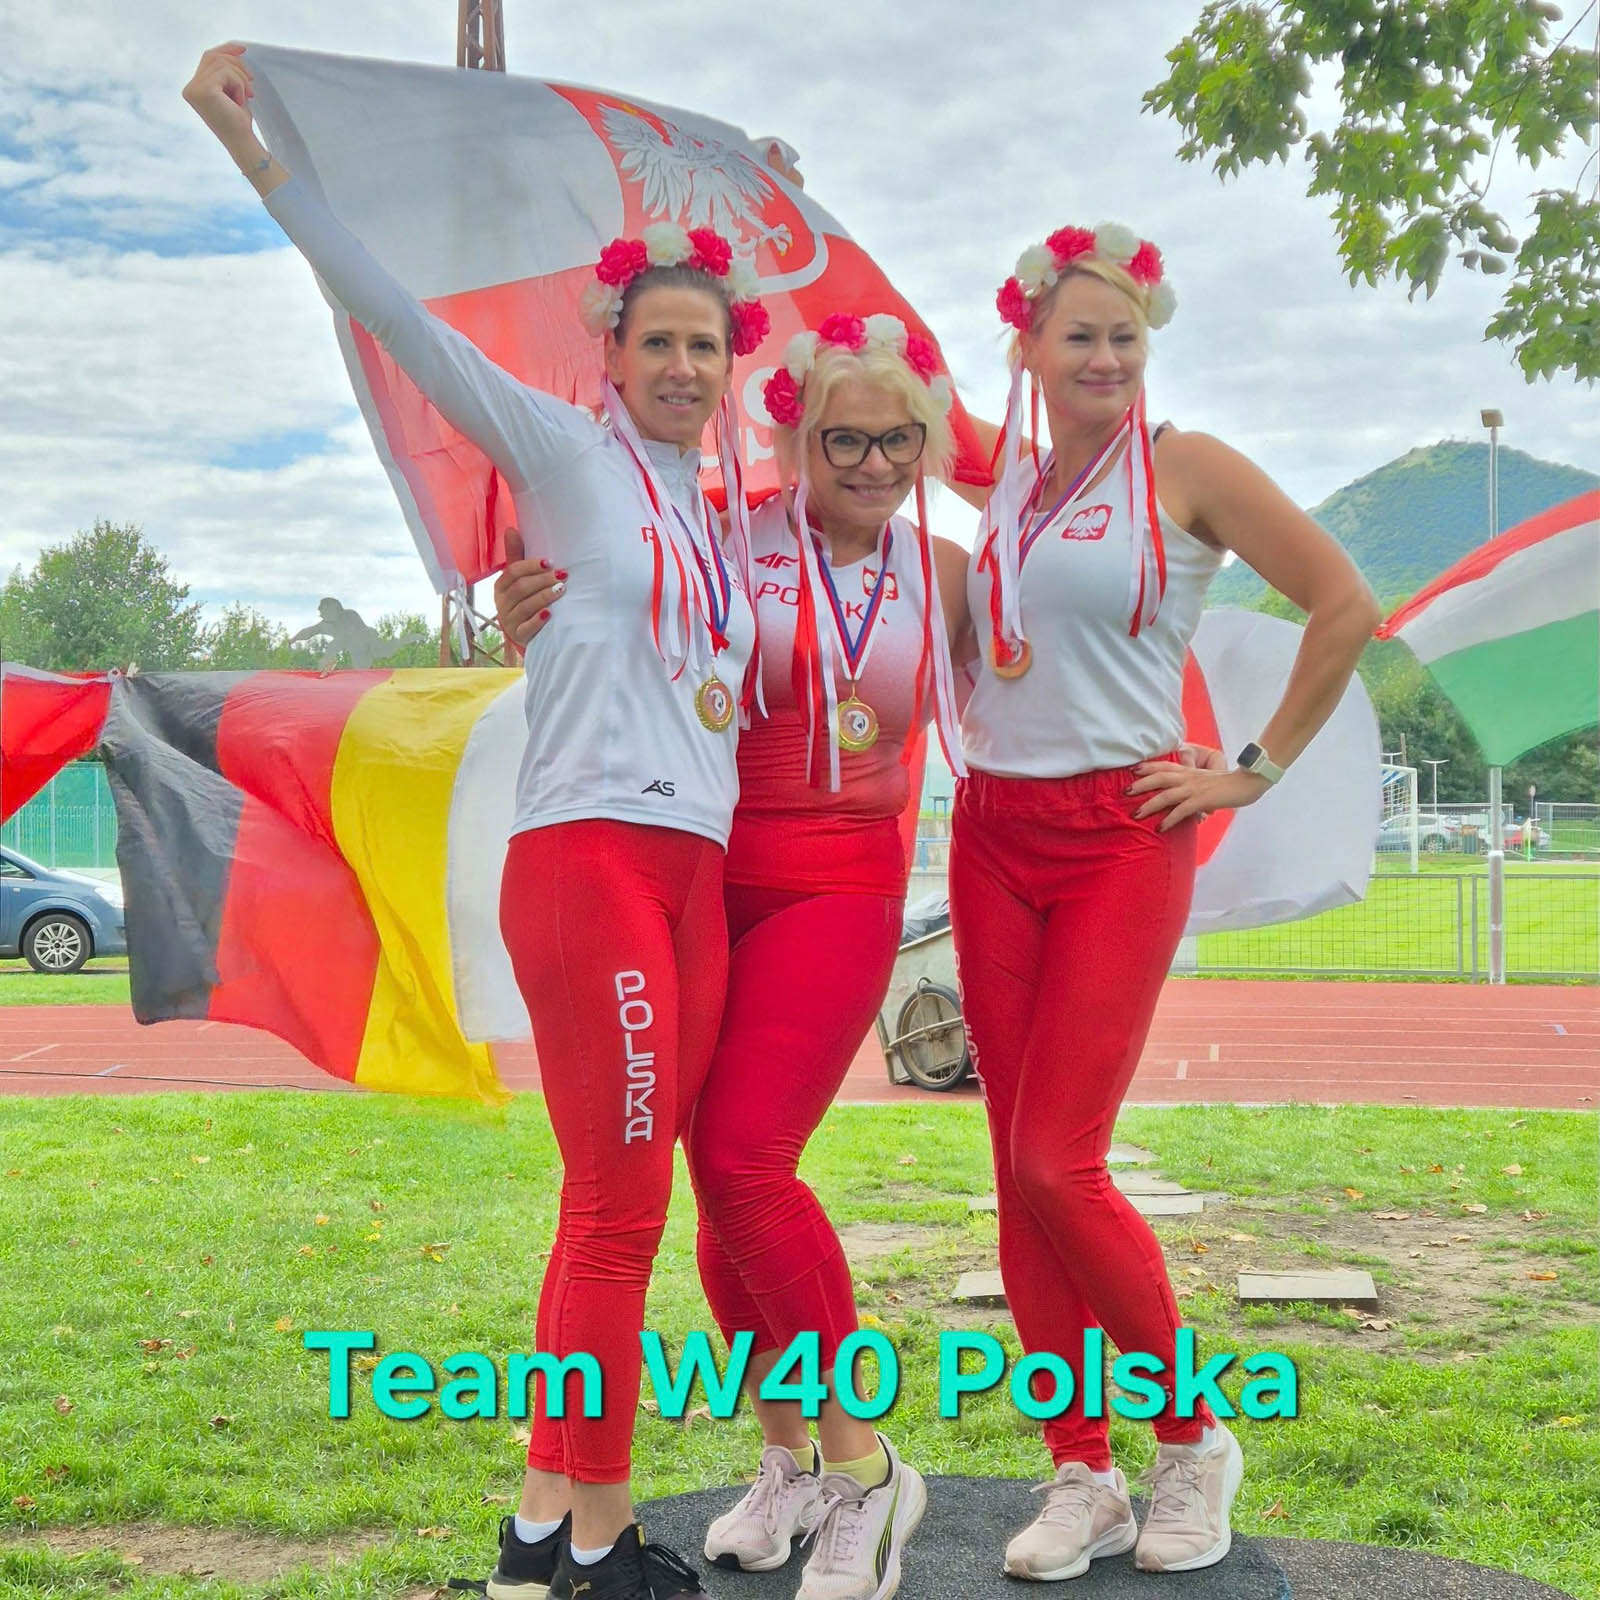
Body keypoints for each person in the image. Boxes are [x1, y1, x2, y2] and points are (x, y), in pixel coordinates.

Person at [185, 41, 773, 1600]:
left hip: (695, 874)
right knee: (619, 1215)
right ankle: (598, 1546)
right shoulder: (562, 451)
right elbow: (393, 314)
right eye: (660, 342)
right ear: (613, 352)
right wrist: (262, 159)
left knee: (621, 1207)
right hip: (591, 862)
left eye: (707, 346)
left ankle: (533, 1534)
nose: (685, 367)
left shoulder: (713, 514)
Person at [502, 312, 968, 1600]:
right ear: (792, 437)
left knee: (750, 1159)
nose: (872, 462)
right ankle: (788, 1461)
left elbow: (1045, 698)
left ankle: (867, 1471)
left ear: (927, 443)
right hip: (704, 876)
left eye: (898, 439)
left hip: (842, 884)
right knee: (705, 1171)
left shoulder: (948, 572)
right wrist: (518, 603)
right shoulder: (722, 534)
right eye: (843, 438)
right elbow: (607, 591)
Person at [949, 222, 1380, 1580]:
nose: (1106, 356)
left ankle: (1192, 1441)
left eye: (1125, 335)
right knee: (1014, 1175)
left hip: (1119, 837)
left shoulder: (1185, 467)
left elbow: (1344, 603)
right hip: (992, 835)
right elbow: (872, 416)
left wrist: (1252, 768)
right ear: (1028, 345)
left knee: (1056, 1160)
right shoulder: (1012, 484)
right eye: (1077, 334)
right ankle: (1082, 1474)